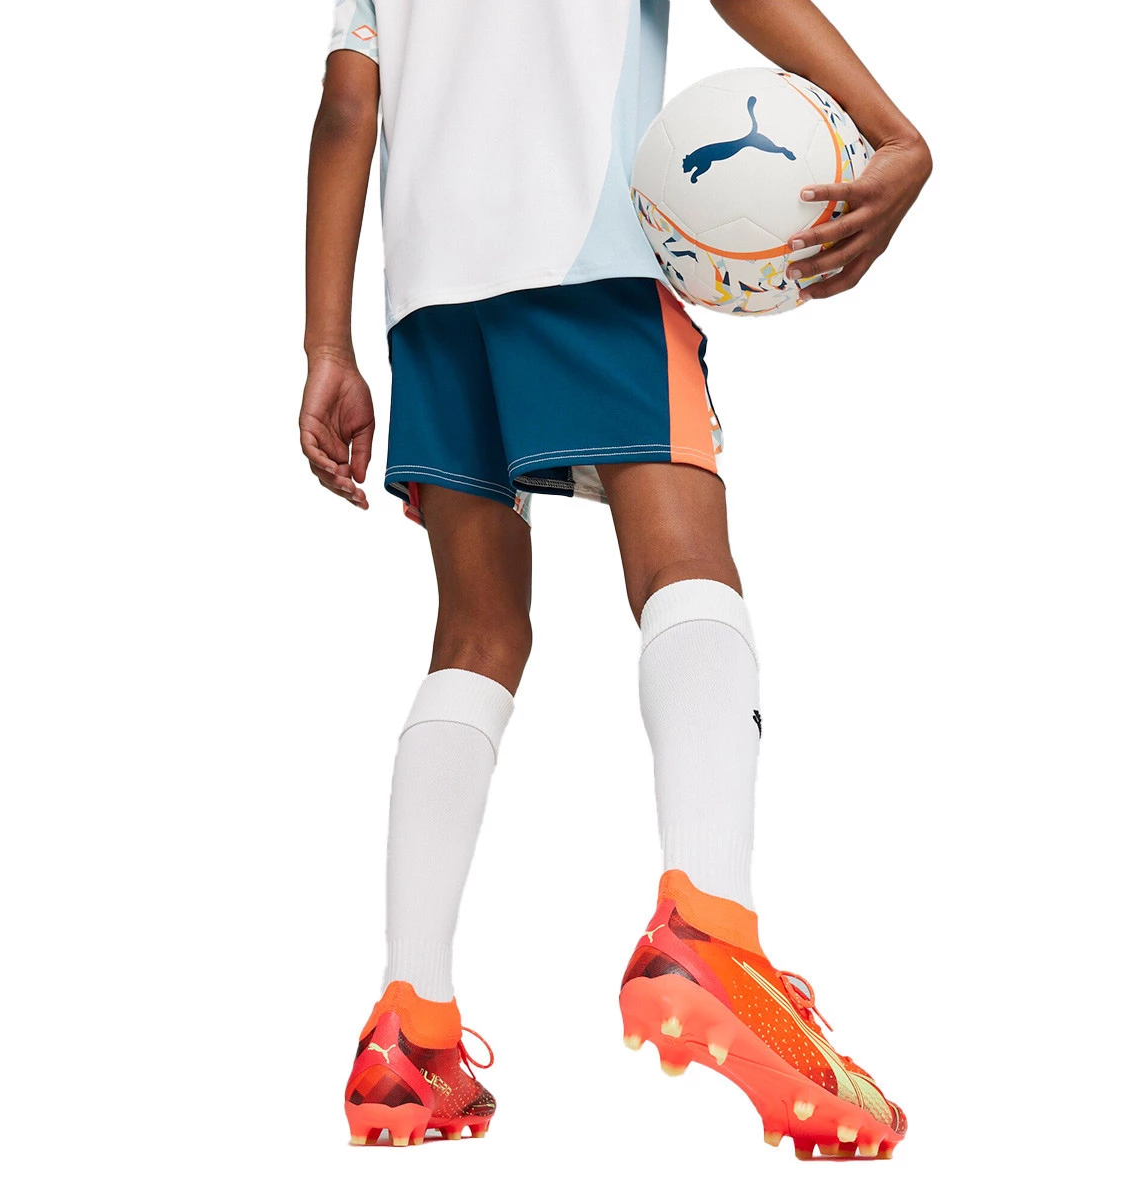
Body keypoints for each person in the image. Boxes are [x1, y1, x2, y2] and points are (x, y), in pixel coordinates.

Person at [302, 0, 930, 1157]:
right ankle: (711, 927)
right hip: (585, 243)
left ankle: (410, 1028)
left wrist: (327, 346)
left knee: (478, 634)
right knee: (683, 559)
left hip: (429, 292)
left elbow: (349, 107)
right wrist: (896, 133)